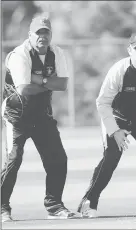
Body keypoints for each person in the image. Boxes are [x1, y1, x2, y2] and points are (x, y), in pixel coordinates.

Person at [77, 32, 136, 218]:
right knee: (111, 158)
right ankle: (88, 203)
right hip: (117, 117)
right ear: (129, 50)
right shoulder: (119, 70)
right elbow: (102, 102)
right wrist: (115, 130)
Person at [1, 15, 80, 222]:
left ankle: (54, 205)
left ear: (51, 35)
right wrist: (48, 82)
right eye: (38, 33)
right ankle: (2, 208)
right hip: (16, 116)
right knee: (13, 160)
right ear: (30, 35)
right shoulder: (20, 54)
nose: (42, 37)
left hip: (42, 115)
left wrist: (40, 79)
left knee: (58, 159)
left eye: (46, 33)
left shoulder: (57, 53)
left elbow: (63, 85)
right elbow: (24, 89)